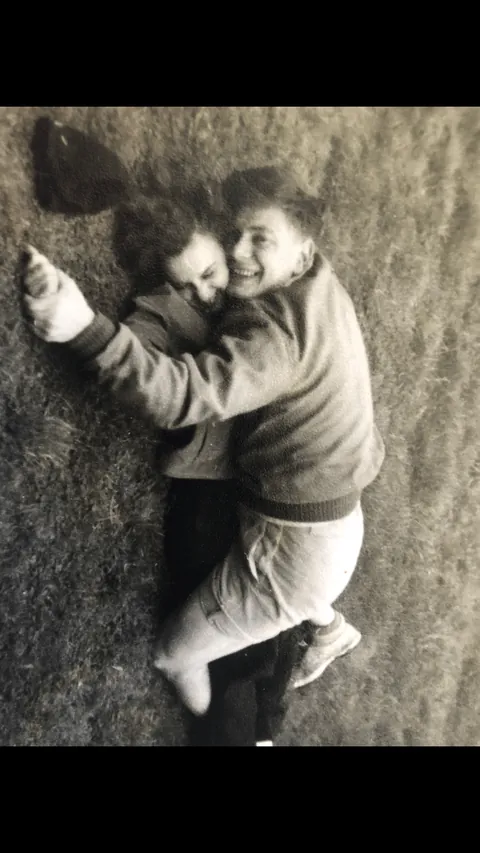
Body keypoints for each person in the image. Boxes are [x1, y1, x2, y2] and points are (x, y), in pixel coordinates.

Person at [22, 166, 385, 718]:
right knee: (284, 597)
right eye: (234, 233)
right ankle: (327, 626)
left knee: (175, 654)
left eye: (260, 238)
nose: (239, 251)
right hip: (327, 514)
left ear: (302, 251)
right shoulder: (318, 284)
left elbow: (184, 396)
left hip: (298, 548)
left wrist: (82, 327)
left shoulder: (278, 340)